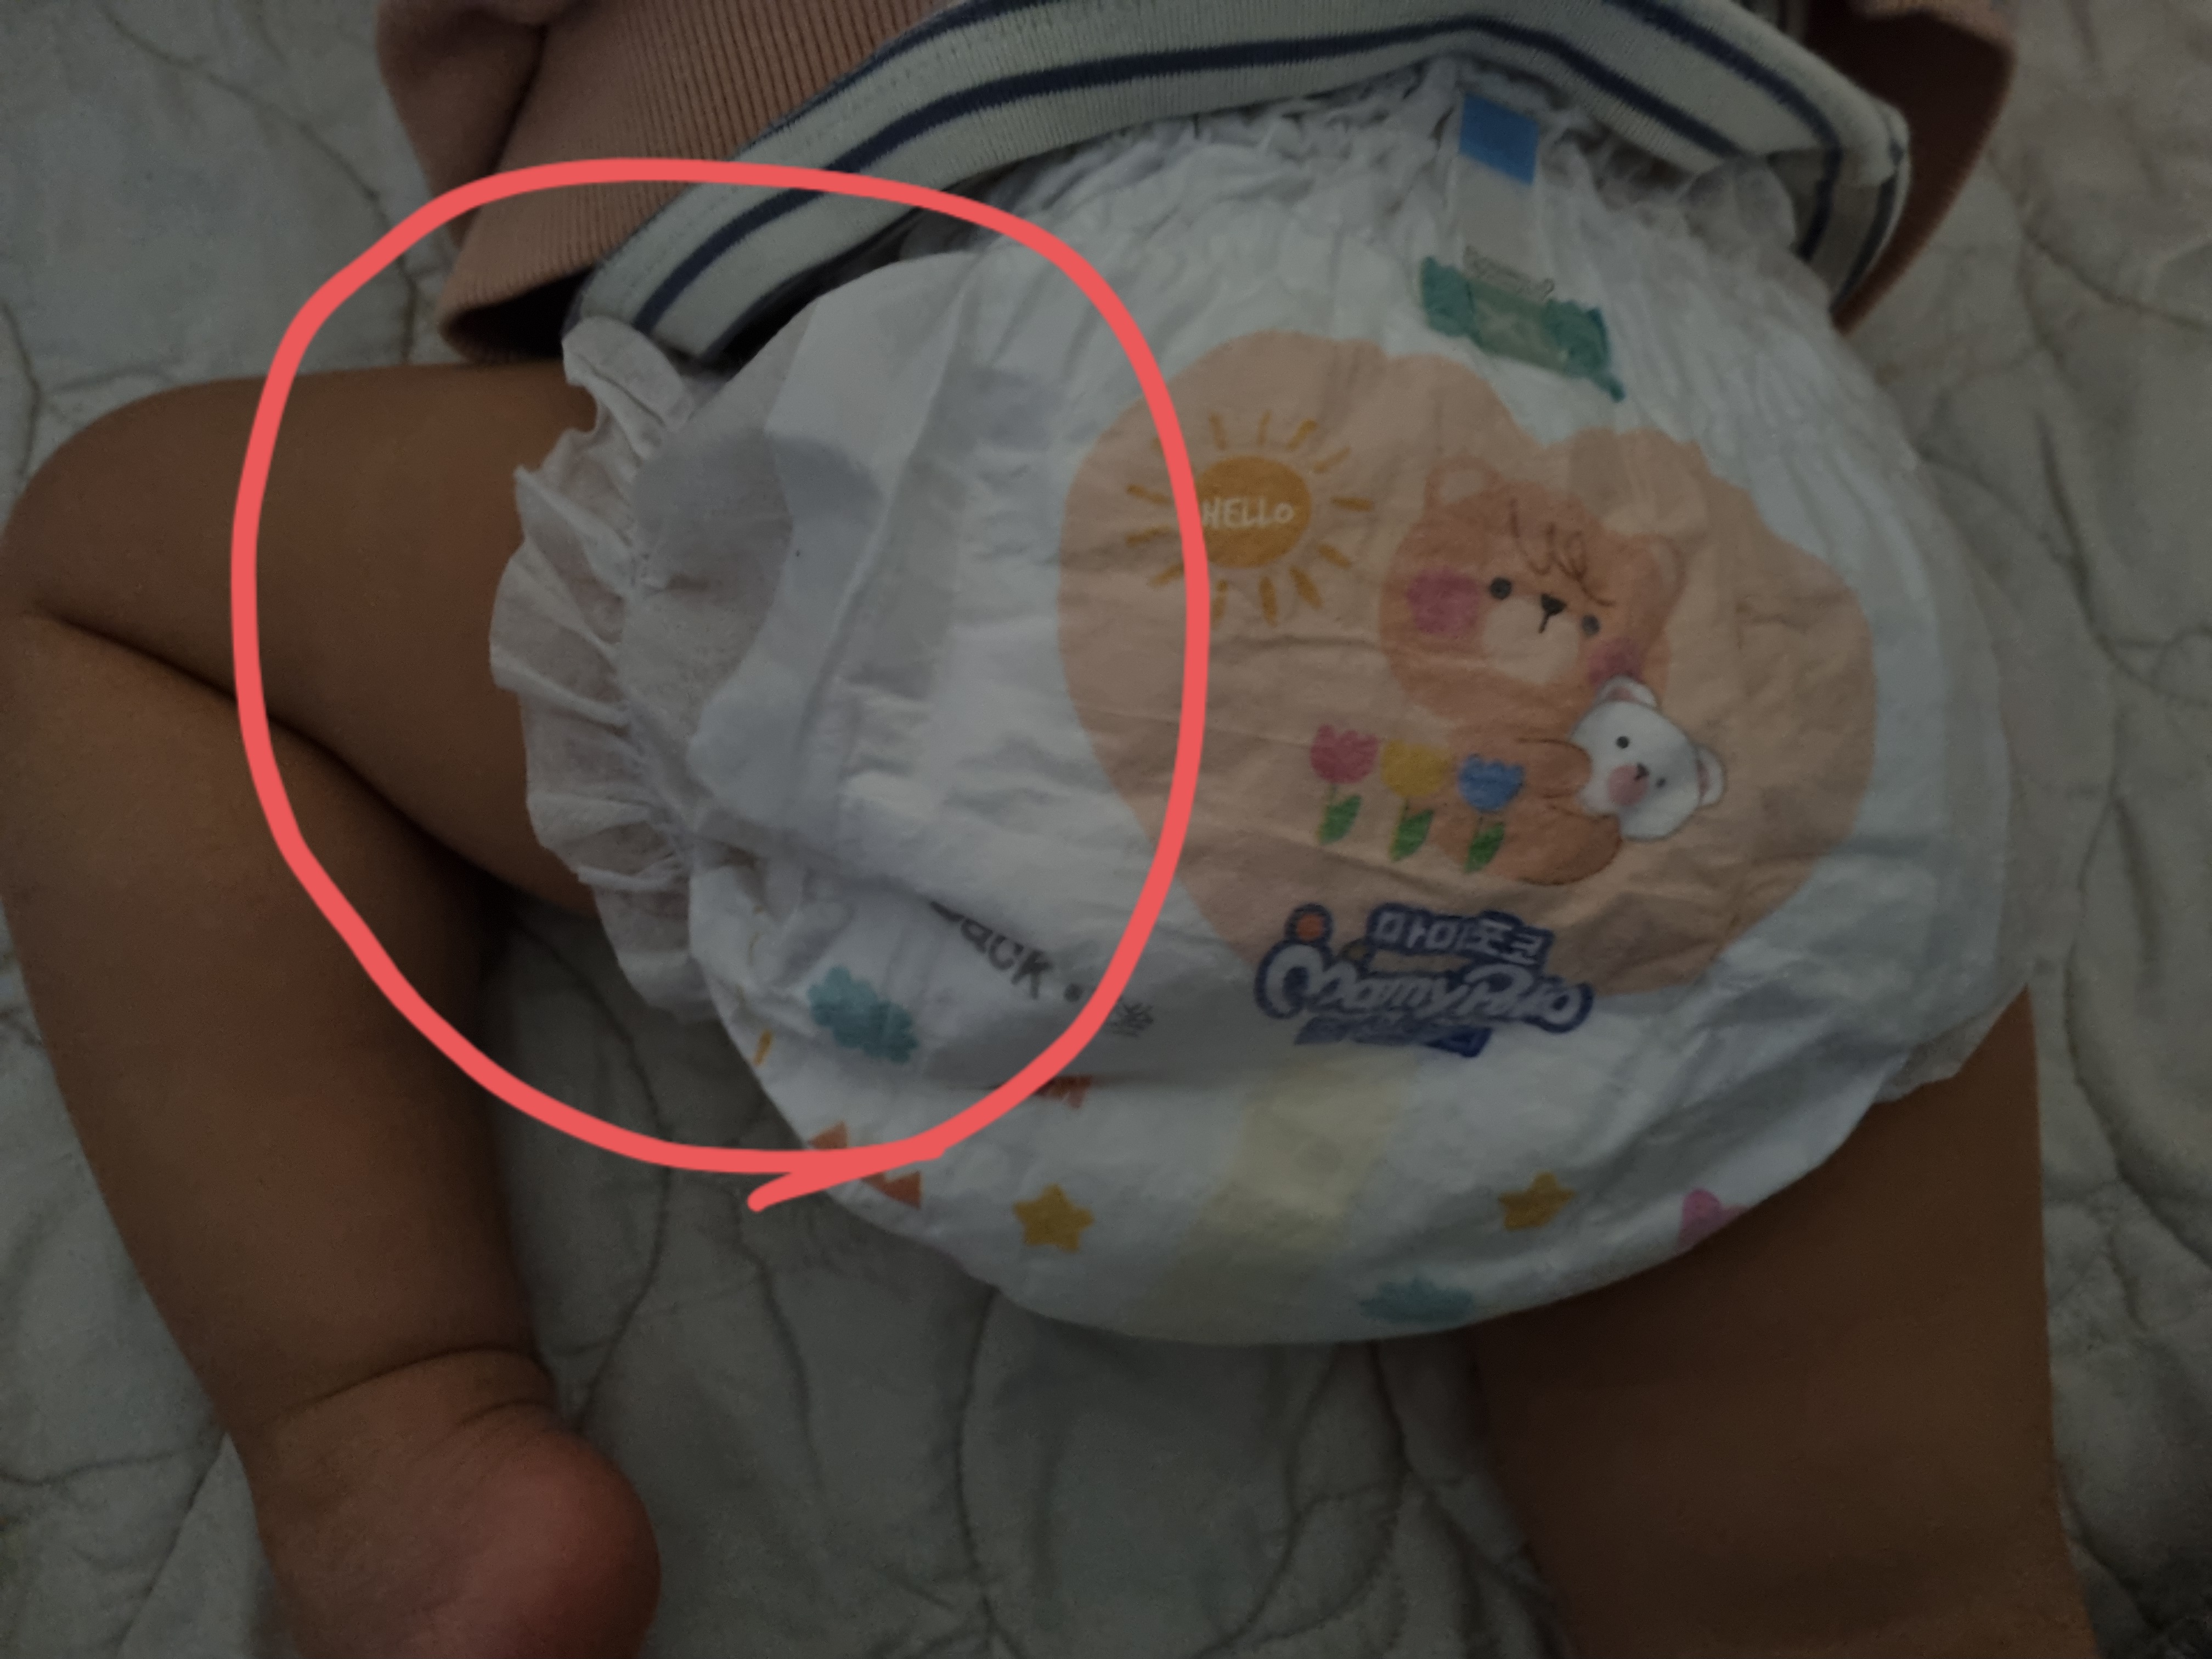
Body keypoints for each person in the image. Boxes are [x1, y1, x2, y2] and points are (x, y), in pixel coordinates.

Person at [0, 2, 2098, 1655]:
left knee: (117, 582)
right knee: (1880, 1593)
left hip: (1051, 366)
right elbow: (1921, 58)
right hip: (1698, 498)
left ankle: (393, 1424)